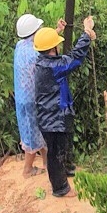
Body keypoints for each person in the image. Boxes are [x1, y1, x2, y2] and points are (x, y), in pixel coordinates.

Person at [33, 17, 96, 198]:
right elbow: (75, 58)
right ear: (53, 48)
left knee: (63, 147)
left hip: (56, 114)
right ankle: (60, 188)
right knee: (55, 154)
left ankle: (65, 171)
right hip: (53, 119)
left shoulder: (43, 61)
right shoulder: (54, 66)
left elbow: (48, 46)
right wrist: (86, 31)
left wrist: (55, 32)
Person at [13, 13, 48, 177]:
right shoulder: (36, 55)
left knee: (38, 130)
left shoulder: (20, 46)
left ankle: (47, 163)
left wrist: (57, 30)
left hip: (22, 98)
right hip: (31, 100)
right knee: (32, 134)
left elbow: (42, 43)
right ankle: (27, 170)